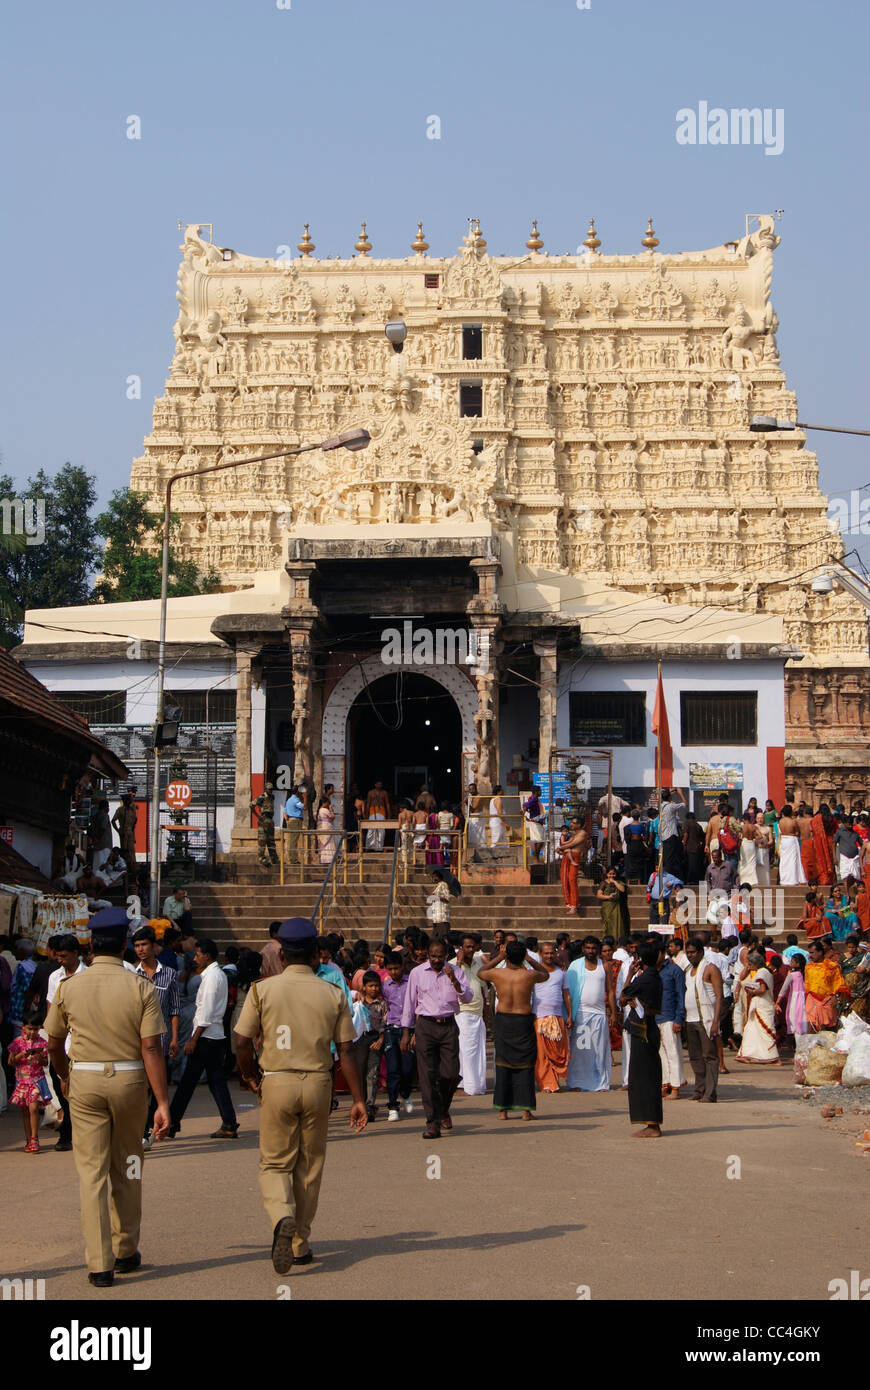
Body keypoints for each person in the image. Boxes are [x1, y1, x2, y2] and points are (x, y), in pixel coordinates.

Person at [44, 907, 169, 1286]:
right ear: (126, 946)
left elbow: (52, 1044)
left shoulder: (69, 987)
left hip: (85, 1080)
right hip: (130, 1081)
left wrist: (65, 1078)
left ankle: (100, 1264)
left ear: (92, 945)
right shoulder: (140, 986)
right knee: (129, 1161)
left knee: (92, 1171)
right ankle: (126, 1249)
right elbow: (151, 1048)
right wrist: (162, 1102)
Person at [234, 918, 367, 1273]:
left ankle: (281, 1215)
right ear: (314, 954)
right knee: (309, 1165)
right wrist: (358, 1099)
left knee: (275, 1161)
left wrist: (249, 1075)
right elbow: (348, 1050)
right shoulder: (333, 993)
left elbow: (242, 1042)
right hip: (319, 1082)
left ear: (281, 953)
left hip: (276, 1080)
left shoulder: (262, 990)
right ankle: (300, 1242)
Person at [400, 938, 473, 1139]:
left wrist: (455, 981)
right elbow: (409, 1003)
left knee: (450, 1073)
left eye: (440, 956)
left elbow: (468, 998)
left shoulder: (456, 971)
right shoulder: (417, 973)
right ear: (427, 954)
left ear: (446, 955)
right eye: (433, 956)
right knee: (427, 1076)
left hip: (448, 1025)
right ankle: (432, 1122)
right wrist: (406, 1032)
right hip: (425, 1026)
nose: (436, 960)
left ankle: (442, 1108)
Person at [168, 938, 239, 1139]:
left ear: (207, 956)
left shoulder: (211, 977)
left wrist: (193, 1039)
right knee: (215, 1081)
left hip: (205, 1037)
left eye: (198, 954)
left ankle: (172, 1122)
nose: (196, 958)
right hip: (212, 1036)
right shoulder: (215, 975)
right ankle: (229, 1122)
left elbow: (206, 1012)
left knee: (188, 1082)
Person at [478, 942, 548, 1120]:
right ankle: (525, 1111)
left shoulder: (497, 973)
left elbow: (481, 972)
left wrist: (499, 957)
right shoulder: (529, 974)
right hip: (522, 1021)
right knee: (525, 1066)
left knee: (503, 1064)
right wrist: (530, 958)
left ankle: (503, 1111)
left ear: (507, 956)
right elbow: (546, 974)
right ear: (523, 955)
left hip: (504, 1021)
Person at [132, 926, 180, 1146]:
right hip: (139, 1044)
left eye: (144, 945)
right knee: (141, 1088)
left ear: (153, 946)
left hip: (162, 1040)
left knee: (159, 1086)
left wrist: (174, 1038)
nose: (141, 949)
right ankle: (142, 1131)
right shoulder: (132, 975)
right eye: (137, 946)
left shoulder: (170, 974)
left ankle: (153, 1127)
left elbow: (174, 1009)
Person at [45, 934, 88, 1151]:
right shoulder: (55, 977)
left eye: (64, 956)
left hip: (82, 1041)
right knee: (60, 1083)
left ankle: (69, 1132)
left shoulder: (88, 975)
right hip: (60, 1040)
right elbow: (51, 1008)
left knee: (80, 1088)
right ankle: (69, 1128)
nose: (59, 959)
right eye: (57, 955)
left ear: (75, 954)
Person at [619, 940, 664, 1137]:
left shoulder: (644, 979)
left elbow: (622, 997)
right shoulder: (654, 976)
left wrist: (629, 974)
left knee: (643, 1079)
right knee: (648, 1077)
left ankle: (652, 1125)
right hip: (649, 1029)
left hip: (643, 1032)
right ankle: (651, 1122)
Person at [565, 937, 616, 1092]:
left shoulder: (605, 966)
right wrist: (569, 1015)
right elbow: (568, 992)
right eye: (587, 948)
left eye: (593, 948)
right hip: (580, 1015)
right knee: (581, 1051)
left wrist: (613, 1013)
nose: (590, 951)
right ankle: (578, 1082)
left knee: (600, 1050)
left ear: (598, 950)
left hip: (599, 1015)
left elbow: (611, 991)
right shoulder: (575, 966)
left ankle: (600, 1083)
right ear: (583, 949)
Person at [684, 937, 722, 1103]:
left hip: (706, 1019)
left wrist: (715, 1022)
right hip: (690, 1019)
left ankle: (710, 1092)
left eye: (693, 952)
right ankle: (699, 1089)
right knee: (695, 1057)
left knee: (709, 1056)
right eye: (688, 953)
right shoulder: (688, 971)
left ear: (700, 952)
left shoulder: (710, 968)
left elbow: (719, 996)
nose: (690, 956)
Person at [9, 1005, 50, 1152]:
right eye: (29, 1028)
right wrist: (21, 1055)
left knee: (33, 1107)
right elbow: (10, 1061)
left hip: (36, 1080)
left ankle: (35, 1138)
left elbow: (46, 1062)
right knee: (25, 1111)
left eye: (36, 1029)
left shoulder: (42, 1043)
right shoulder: (17, 1042)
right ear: (24, 1027)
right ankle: (28, 1140)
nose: (32, 1032)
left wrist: (40, 1058)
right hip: (22, 1082)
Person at [532, 941, 572, 1093]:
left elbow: (566, 995)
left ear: (555, 954)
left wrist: (569, 1015)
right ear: (541, 954)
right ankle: (546, 1084)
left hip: (557, 1017)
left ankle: (554, 1082)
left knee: (557, 1052)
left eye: (551, 953)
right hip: (539, 1017)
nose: (549, 956)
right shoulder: (535, 973)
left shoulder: (561, 973)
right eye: (546, 953)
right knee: (542, 1054)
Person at [452, 935, 488, 1097]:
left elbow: (483, 989)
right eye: (467, 947)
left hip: (478, 1013)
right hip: (462, 1013)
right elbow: (451, 985)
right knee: (465, 1051)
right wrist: (459, 963)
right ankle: (464, 1085)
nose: (471, 950)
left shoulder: (479, 963)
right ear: (461, 948)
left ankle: (477, 1085)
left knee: (478, 1051)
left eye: (473, 947)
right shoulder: (453, 964)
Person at [381, 951, 415, 1120]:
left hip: (409, 1029)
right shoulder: (385, 986)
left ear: (402, 966)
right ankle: (393, 1105)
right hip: (391, 1029)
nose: (394, 972)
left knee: (407, 1069)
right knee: (392, 1069)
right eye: (390, 969)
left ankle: (406, 1094)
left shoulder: (411, 982)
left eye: (396, 968)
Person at [351, 971, 386, 1122]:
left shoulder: (382, 1004)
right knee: (359, 1072)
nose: (374, 989)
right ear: (364, 987)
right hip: (359, 1040)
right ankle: (360, 1103)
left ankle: (370, 1106)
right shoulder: (358, 1004)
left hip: (375, 1039)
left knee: (372, 1073)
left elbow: (385, 1024)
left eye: (376, 986)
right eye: (370, 986)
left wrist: (381, 1039)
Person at [735, 952, 780, 1064]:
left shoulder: (762, 973)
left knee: (765, 1031)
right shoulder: (764, 972)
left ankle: (773, 1057)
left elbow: (762, 989)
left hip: (762, 1005)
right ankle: (746, 1053)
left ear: (755, 964)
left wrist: (752, 991)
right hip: (759, 1005)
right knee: (751, 1029)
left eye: (750, 965)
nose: (749, 968)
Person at [658, 941, 687, 1097]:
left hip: (670, 1017)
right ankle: (665, 1084)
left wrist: (679, 1018)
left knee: (673, 1053)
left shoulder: (674, 970)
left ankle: (675, 1087)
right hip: (657, 1018)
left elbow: (681, 995)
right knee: (661, 1055)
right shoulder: (654, 971)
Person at [803, 940, 848, 1030]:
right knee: (811, 1026)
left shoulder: (832, 967)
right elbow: (807, 985)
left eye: (812, 952)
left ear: (820, 952)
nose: (810, 955)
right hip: (811, 1000)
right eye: (809, 953)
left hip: (827, 1001)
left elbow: (839, 984)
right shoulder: (808, 967)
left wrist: (836, 997)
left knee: (827, 1029)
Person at [775, 956, 808, 1043]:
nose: (790, 963)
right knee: (802, 1022)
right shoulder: (805, 974)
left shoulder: (792, 975)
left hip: (795, 1000)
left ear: (797, 964)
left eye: (792, 961)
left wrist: (778, 1002)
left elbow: (783, 989)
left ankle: (799, 1051)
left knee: (795, 1022)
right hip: (804, 999)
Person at [559, 819, 587, 915]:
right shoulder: (574, 834)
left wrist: (561, 848)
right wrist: (562, 849)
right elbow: (568, 844)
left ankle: (573, 905)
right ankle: (572, 903)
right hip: (568, 856)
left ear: (579, 824)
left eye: (573, 823)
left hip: (574, 857)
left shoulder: (582, 833)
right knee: (565, 880)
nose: (571, 824)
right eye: (571, 822)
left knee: (572, 880)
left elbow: (572, 844)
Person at [111, 792, 138, 887]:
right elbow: (113, 820)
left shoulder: (132, 810)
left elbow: (134, 823)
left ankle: (133, 872)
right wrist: (118, 830)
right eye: (128, 800)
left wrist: (133, 835)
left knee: (131, 853)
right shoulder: (120, 810)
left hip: (130, 832)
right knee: (124, 852)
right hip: (123, 832)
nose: (129, 802)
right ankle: (125, 870)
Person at [252, 785, 280, 869]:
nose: (270, 790)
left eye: (271, 789)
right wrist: (258, 816)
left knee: (271, 841)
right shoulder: (262, 797)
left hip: (270, 820)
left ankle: (274, 859)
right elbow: (252, 805)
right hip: (264, 819)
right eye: (269, 789)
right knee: (262, 840)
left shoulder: (272, 797)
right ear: (265, 789)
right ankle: (262, 858)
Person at [777, 805, 806, 885]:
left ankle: (784, 879)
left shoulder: (780, 821)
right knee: (793, 860)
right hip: (791, 840)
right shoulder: (793, 822)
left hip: (784, 841)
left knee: (784, 861)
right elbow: (797, 832)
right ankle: (792, 880)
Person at [598, 866, 629, 936]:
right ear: (607, 874)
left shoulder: (619, 882)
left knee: (618, 924)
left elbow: (622, 889)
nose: (611, 876)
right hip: (608, 907)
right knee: (609, 925)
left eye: (613, 874)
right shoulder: (603, 883)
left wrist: (614, 882)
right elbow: (599, 895)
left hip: (618, 907)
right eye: (610, 874)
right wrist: (608, 896)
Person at [523, 786, 547, 863]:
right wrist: (523, 811)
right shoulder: (533, 799)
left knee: (538, 840)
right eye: (540, 791)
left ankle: (536, 859)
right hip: (535, 823)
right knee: (539, 840)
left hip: (537, 822)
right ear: (536, 792)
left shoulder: (535, 800)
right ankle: (535, 858)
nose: (541, 792)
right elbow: (526, 805)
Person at [365, 780, 390, 852]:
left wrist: (389, 815)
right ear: (375, 785)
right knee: (371, 830)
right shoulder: (370, 792)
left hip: (382, 812)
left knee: (381, 830)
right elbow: (368, 803)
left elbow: (387, 804)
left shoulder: (384, 793)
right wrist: (366, 815)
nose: (379, 786)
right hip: (372, 811)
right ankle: (369, 847)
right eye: (378, 784)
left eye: (381, 784)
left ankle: (379, 848)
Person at [834, 818, 862, 883]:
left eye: (851, 824)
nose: (850, 826)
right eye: (849, 824)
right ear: (845, 824)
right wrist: (835, 857)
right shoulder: (840, 832)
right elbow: (834, 844)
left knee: (856, 876)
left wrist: (861, 855)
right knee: (845, 876)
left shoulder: (855, 834)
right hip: (844, 857)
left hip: (854, 858)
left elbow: (862, 844)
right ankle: (847, 893)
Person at [316, 795, 337, 864]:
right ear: (324, 803)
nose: (328, 804)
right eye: (327, 803)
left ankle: (323, 859)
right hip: (326, 829)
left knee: (323, 844)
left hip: (322, 829)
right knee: (328, 843)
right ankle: (329, 859)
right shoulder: (324, 810)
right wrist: (331, 810)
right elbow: (332, 817)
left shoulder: (319, 810)